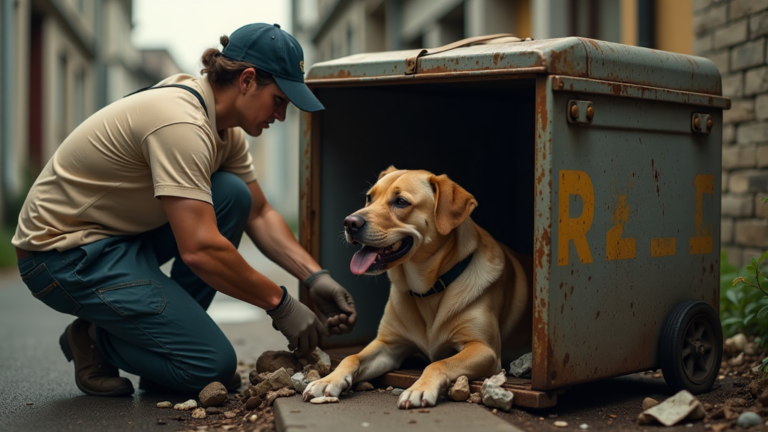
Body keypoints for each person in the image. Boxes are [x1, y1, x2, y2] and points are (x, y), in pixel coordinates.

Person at [11, 23, 356, 397]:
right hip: (62, 256)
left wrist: (314, 276)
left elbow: (258, 213)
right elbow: (200, 249)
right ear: (247, 80)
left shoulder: (225, 131)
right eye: (279, 100)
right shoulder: (181, 122)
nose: (282, 115)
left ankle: (170, 345)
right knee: (210, 367)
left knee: (231, 194)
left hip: (118, 240)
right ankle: (94, 338)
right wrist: (281, 304)